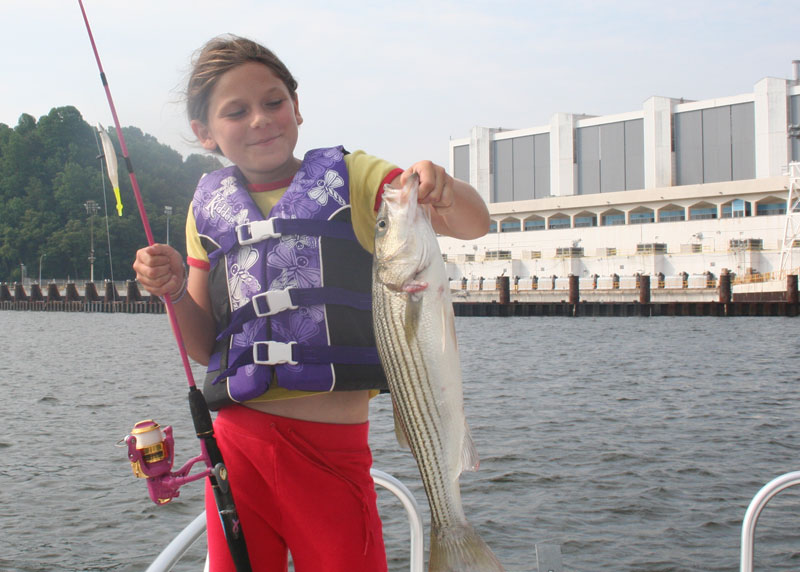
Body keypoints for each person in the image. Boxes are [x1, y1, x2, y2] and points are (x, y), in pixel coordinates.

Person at [133, 34, 489, 572]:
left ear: (297, 106)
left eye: (274, 101)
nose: (261, 119)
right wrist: (176, 290)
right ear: (205, 133)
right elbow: (206, 347)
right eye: (237, 111)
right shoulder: (205, 207)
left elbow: (474, 223)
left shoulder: (358, 176)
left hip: (335, 451)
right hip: (236, 446)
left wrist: (443, 186)